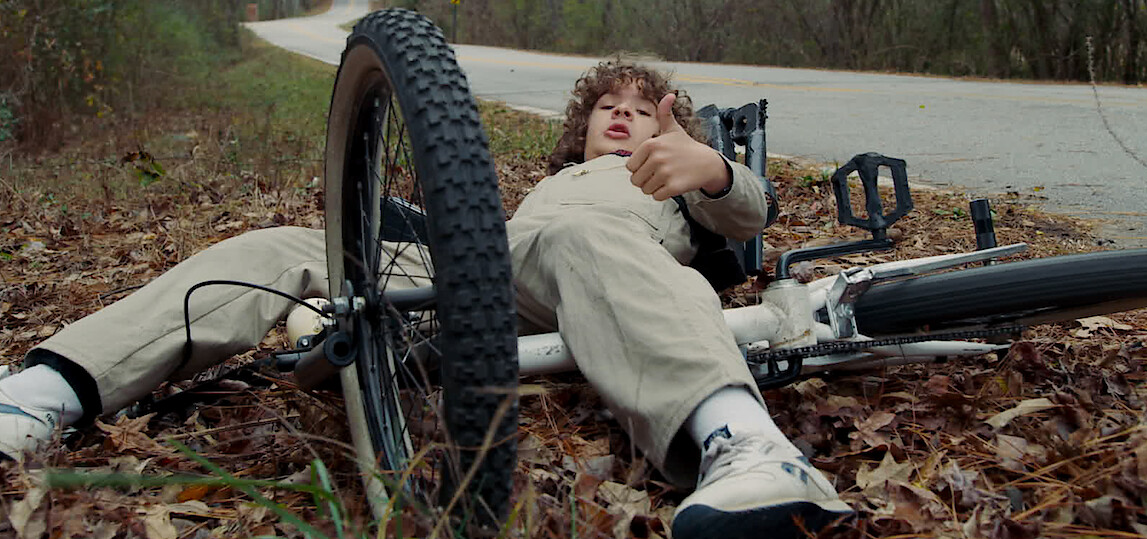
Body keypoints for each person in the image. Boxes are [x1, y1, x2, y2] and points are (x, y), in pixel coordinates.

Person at [0, 62, 853, 538]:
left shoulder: (674, 180)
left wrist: (709, 167)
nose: (626, 118)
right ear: (582, 127)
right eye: (609, 108)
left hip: (594, 268)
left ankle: (745, 449)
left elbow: (746, 218)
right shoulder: (551, 181)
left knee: (580, 237)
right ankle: (44, 391)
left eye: (642, 110)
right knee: (278, 247)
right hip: (480, 267)